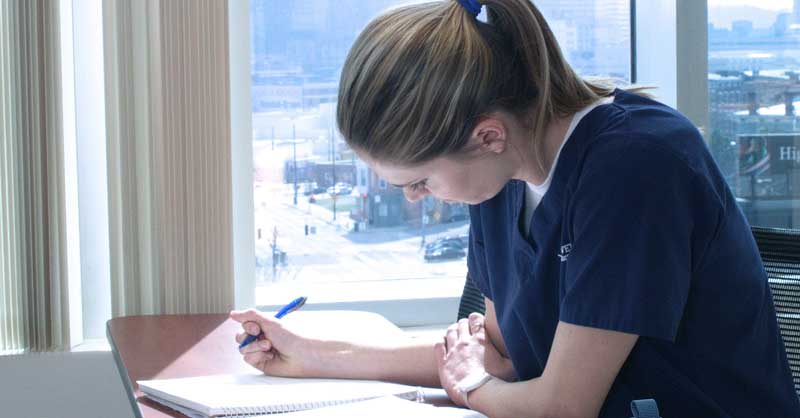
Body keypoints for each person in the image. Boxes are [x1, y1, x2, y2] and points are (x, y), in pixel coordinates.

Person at [230, 1, 800, 417]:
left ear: (488, 135)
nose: (415, 197)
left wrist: (476, 386)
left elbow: (558, 405)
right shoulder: (500, 175)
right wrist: (311, 355)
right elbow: (500, 356)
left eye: (421, 180)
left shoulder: (637, 165)